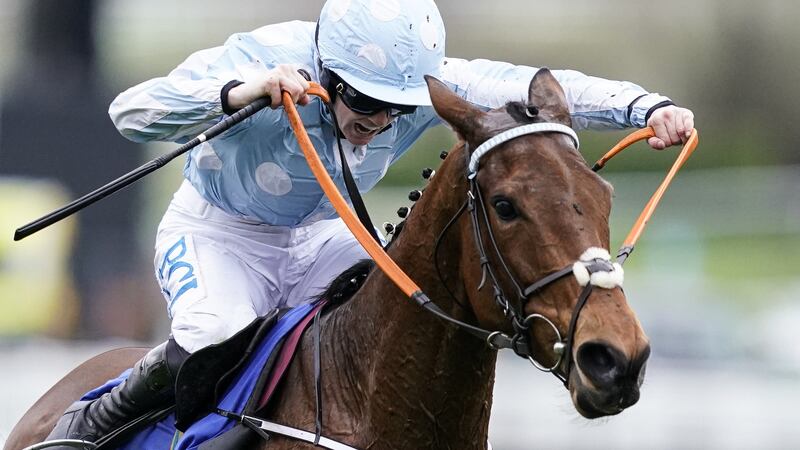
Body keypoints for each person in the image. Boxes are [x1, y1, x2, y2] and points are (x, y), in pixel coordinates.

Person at [46, 0, 695, 445]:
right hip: (220, 233)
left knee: (404, 309)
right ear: (327, 68)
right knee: (215, 333)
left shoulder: (427, 81)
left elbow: (544, 84)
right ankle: (90, 427)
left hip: (325, 235)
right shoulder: (265, 52)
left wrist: (649, 108)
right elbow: (132, 112)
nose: (377, 121)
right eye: (361, 99)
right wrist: (243, 91)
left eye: (396, 106)